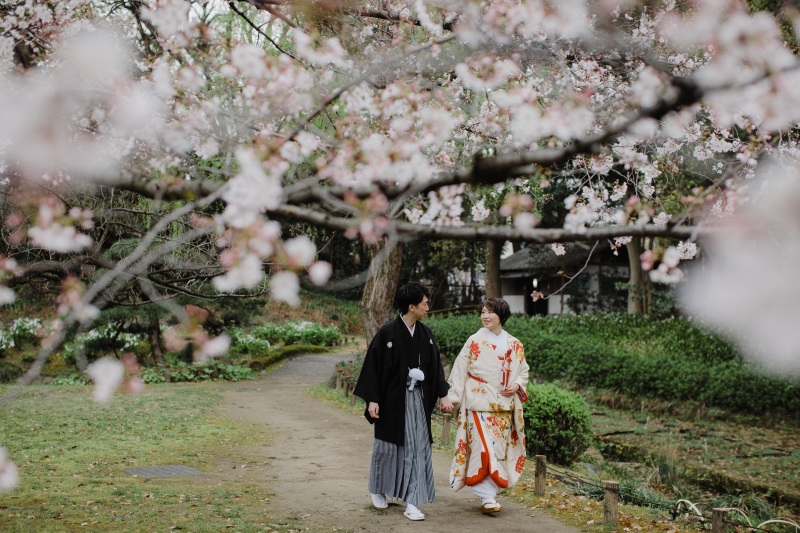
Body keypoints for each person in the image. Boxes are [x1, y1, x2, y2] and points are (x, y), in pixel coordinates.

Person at [354, 282, 453, 521]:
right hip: (391, 401)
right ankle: (378, 489)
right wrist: (372, 399)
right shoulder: (387, 332)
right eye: (425, 303)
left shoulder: (425, 334)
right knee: (387, 447)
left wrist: (443, 393)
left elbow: (435, 367)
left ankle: (412, 501)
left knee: (418, 449)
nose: (428, 307)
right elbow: (373, 368)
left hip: (417, 400)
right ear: (411, 306)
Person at [446, 297, 530, 514]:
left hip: (503, 405)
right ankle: (487, 497)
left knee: (498, 450)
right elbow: (459, 370)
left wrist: (517, 385)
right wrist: (451, 397)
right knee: (483, 449)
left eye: (490, 312)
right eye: (483, 312)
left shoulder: (514, 343)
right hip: (478, 402)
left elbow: (524, 371)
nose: (485, 316)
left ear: (501, 316)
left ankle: (490, 495)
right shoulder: (473, 341)